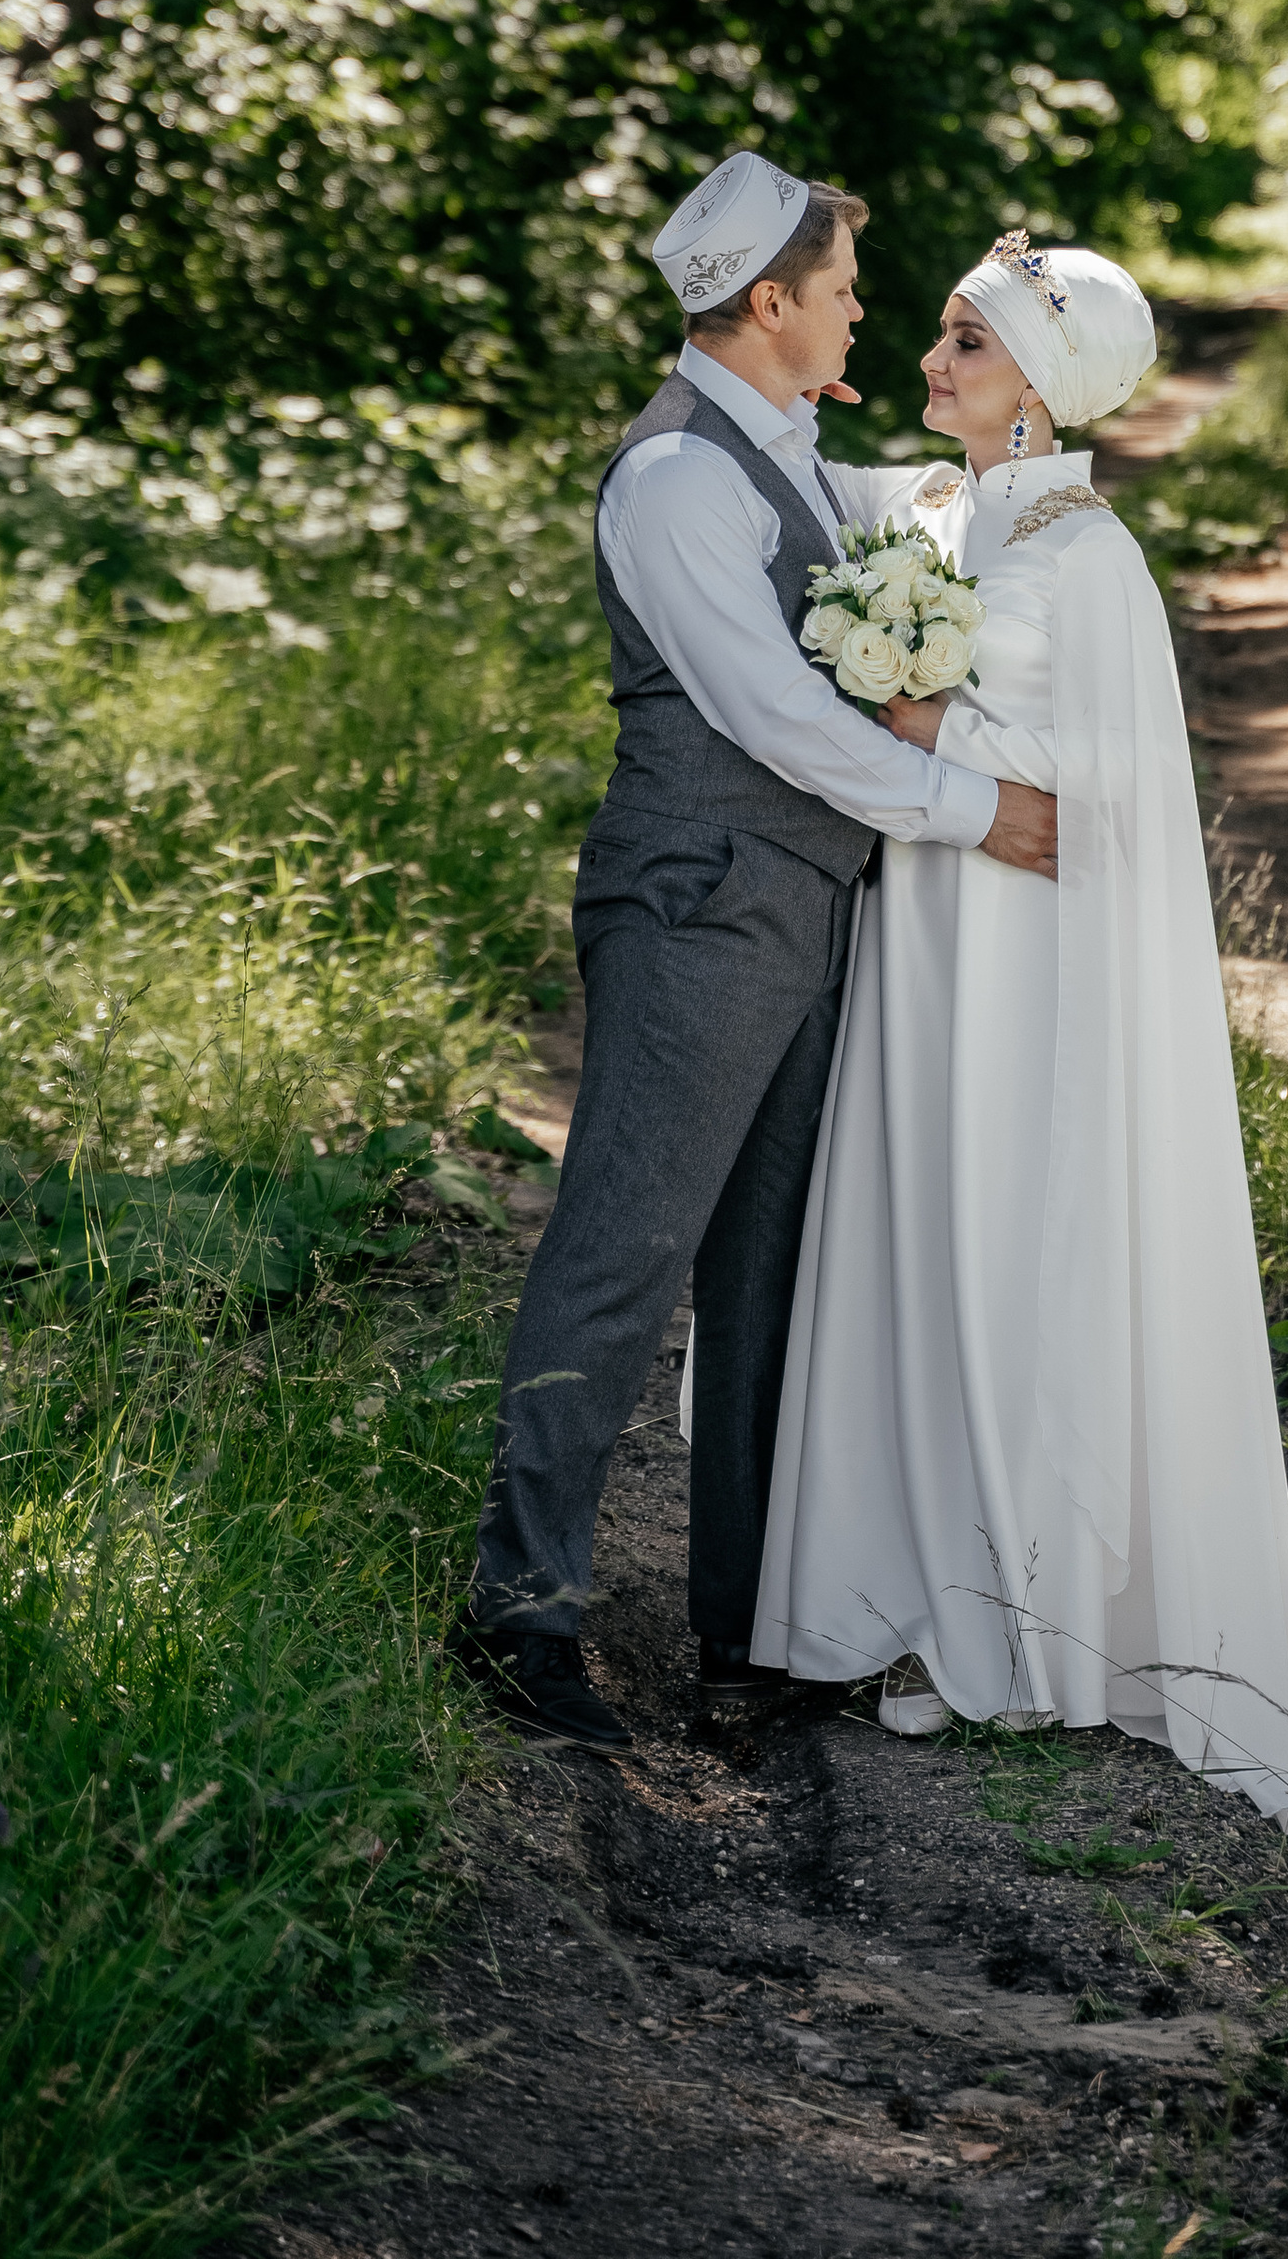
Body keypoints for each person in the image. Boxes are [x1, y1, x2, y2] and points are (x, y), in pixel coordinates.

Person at [455, 154, 1060, 1754]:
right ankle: (519, 1615)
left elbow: (906, 508)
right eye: (843, 289)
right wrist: (976, 810)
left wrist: (1023, 435)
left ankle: (752, 1631)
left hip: (803, 901)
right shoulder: (674, 477)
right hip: (698, 904)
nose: (863, 312)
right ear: (771, 299)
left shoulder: (780, 450)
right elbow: (774, 713)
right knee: (624, 1251)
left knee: (772, 1271)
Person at [747, 233, 1288, 1837]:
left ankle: (1023, 1625)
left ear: (1044, 384)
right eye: (940, 333)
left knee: (1010, 1232)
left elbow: (1120, 788)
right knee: (917, 1226)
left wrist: (930, 719)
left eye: (968, 341)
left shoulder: (1091, 558)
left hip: (1026, 948)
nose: (933, 362)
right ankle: (907, 1587)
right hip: (922, 928)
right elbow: (778, 470)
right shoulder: (933, 514)